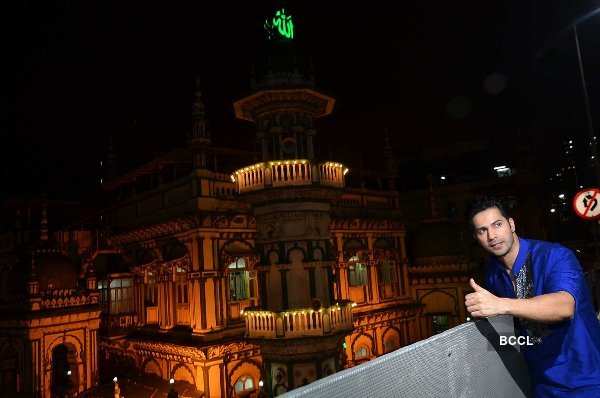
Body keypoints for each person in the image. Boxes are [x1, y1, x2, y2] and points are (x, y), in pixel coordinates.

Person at [465, 197, 600, 397]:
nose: (492, 235)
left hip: (586, 380)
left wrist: (501, 305)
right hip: (540, 383)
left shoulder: (555, 255)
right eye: (482, 231)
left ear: (511, 224)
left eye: (497, 224)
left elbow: (564, 307)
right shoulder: (494, 273)